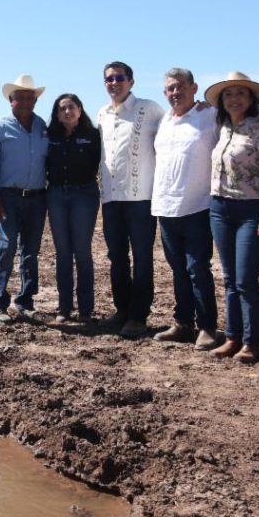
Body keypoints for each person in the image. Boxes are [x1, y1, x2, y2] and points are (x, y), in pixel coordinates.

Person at [204, 72, 259, 363]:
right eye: (228, 94)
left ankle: (252, 342)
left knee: (246, 279)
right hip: (220, 209)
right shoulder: (222, 128)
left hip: (251, 211)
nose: (234, 99)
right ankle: (232, 337)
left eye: (240, 93)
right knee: (229, 279)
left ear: (251, 100)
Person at [149, 68, 219, 350]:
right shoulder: (165, 120)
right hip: (165, 207)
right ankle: (183, 323)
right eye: (169, 89)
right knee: (178, 269)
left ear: (194, 87)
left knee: (197, 268)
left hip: (198, 205)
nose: (174, 93)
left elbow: (244, 114)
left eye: (180, 87)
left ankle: (207, 327)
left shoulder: (210, 115)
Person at [96, 61, 164, 337]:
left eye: (119, 78)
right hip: (110, 199)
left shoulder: (150, 109)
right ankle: (121, 310)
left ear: (131, 81)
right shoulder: (101, 114)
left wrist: (204, 109)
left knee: (142, 257)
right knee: (116, 257)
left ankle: (139, 316)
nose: (114, 83)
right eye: (109, 79)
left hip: (141, 199)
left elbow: (178, 125)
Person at [0, 74, 49, 325]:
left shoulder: (43, 126)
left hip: (37, 198)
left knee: (31, 252)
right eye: (19, 97)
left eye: (29, 97)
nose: (25, 101)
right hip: (8, 197)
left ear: (35, 100)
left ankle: (25, 302)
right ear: (11, 101)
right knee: (7, 247)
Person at [45, 93, 102, 325]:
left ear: (80, 109)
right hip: (57, 194)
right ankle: (64, 307)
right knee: (63, 253)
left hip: (84, 195)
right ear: (56, 115)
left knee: (82, 251)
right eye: (62, 109)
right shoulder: (50, 136)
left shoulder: (93, 136)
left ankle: (86, 309)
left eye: (71, 107)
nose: (67, 112)